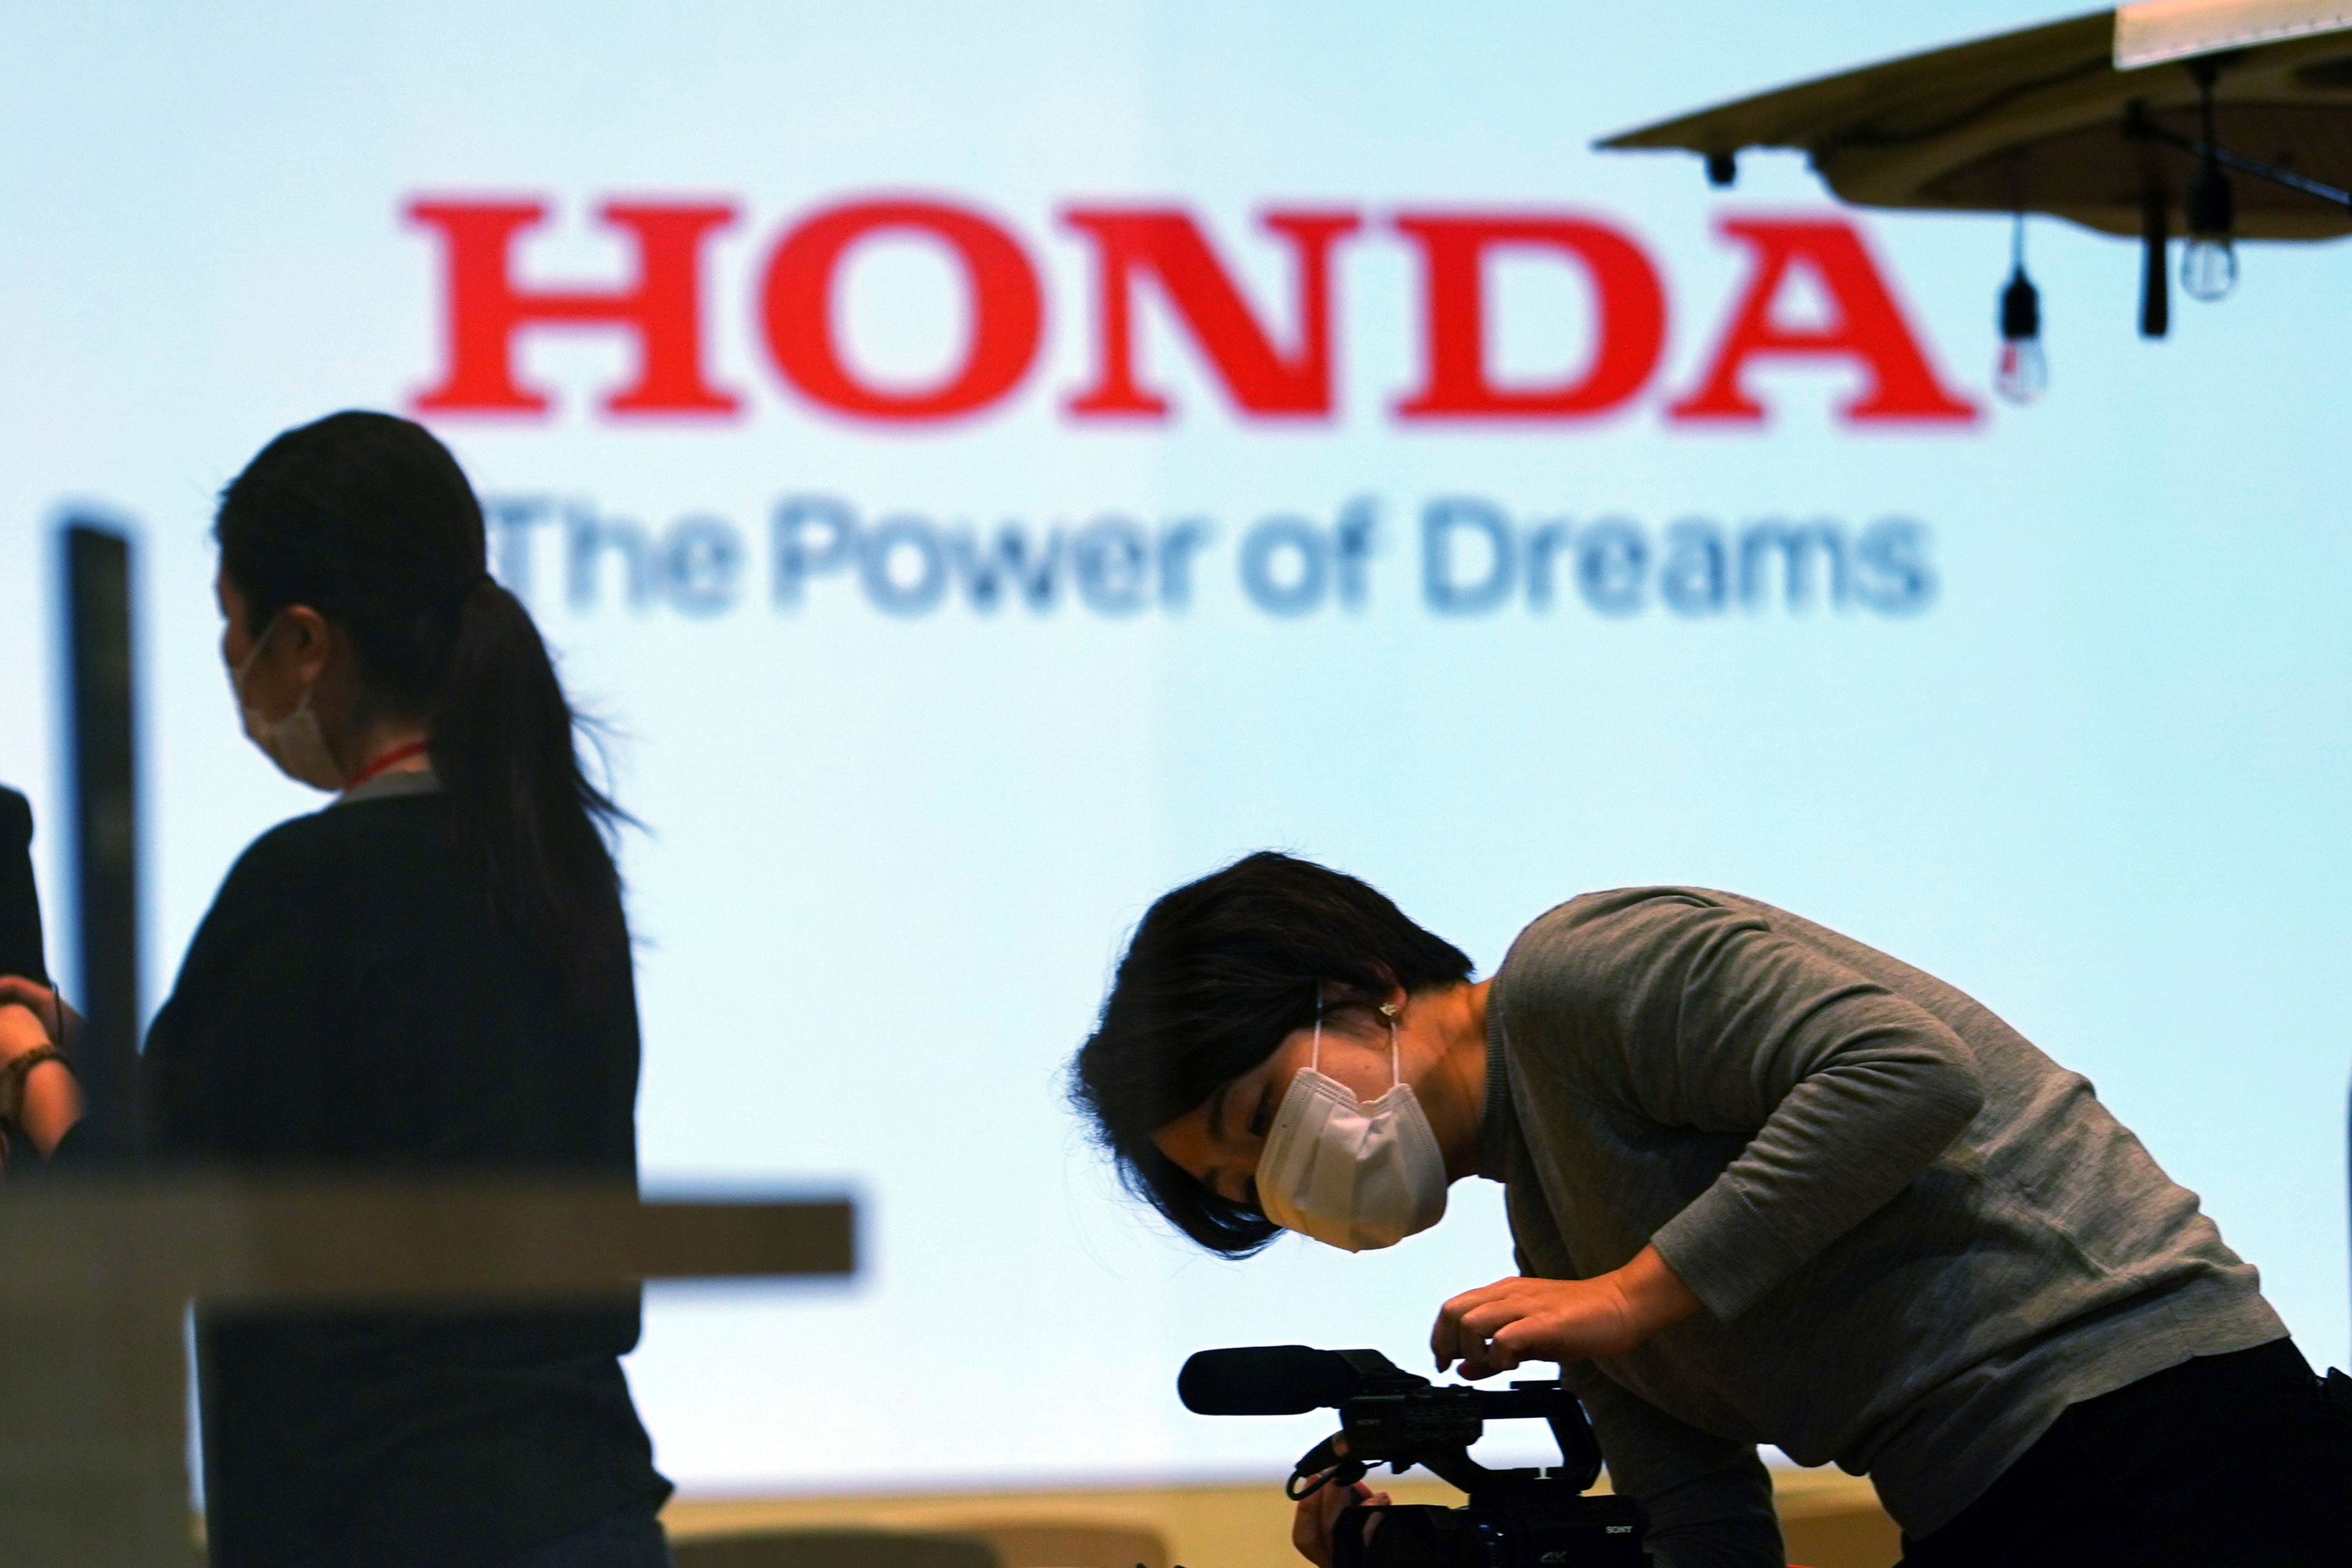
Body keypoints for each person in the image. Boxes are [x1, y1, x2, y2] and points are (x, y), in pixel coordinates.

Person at [1069, 852, 2352, 1568]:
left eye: (1258, 1122)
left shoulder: (1582, 973)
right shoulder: (1554, 1247)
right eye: (1251, 1193)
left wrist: (1630, 1299)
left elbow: (1905, 1075)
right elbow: (1708, 1534)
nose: (1290, 1185)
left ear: (1360, 992)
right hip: (1981, 1502)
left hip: (2154, 1438)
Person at [0, 411, 672, 1568]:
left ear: (305, 642)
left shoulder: (311, 882)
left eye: (233, 629)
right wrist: (75, 1045)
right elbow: (295, 1125)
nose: (231, 665)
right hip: (585, 1507)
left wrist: (22, 1064)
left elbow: (134, 1211)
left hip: (388, 1525)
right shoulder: (550, 864)